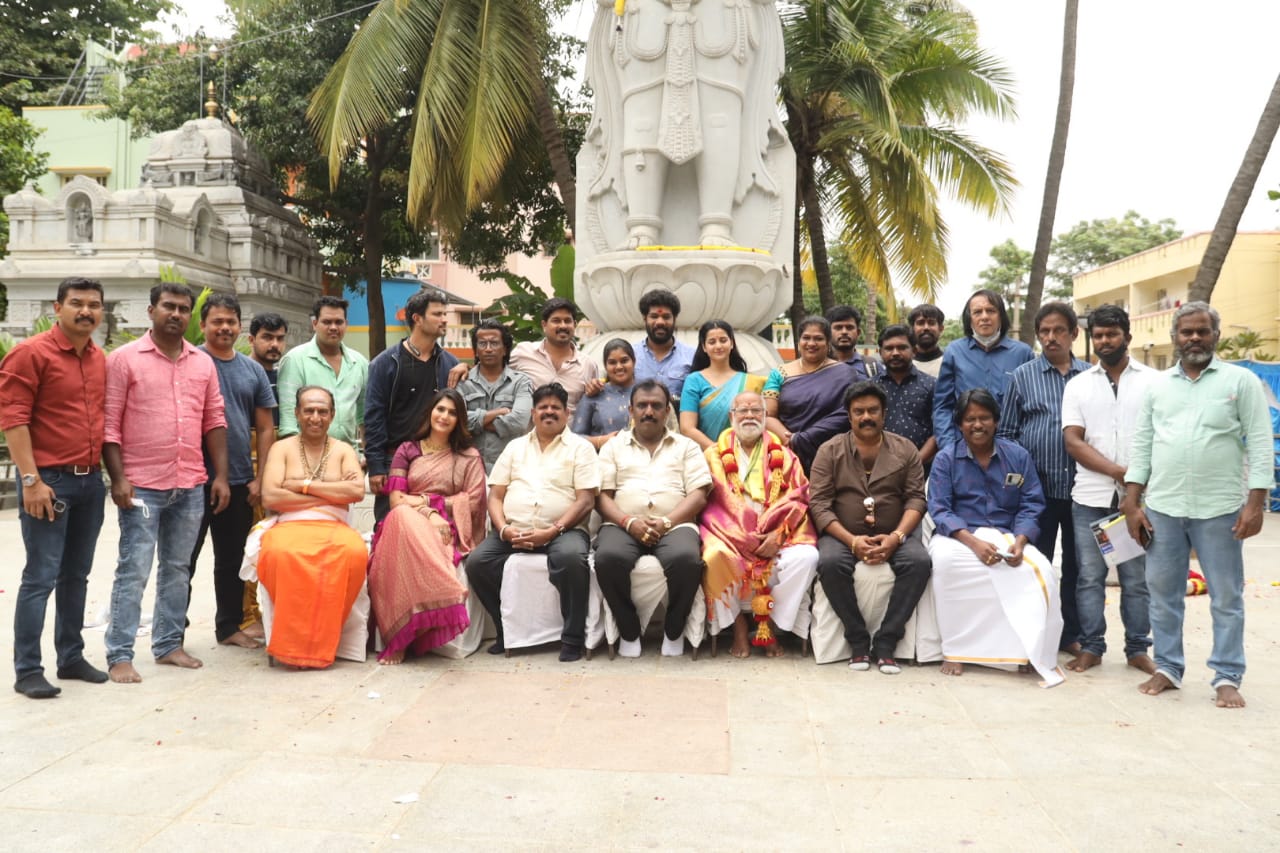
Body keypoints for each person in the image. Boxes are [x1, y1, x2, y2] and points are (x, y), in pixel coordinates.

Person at [1122, 302, 1273, 709]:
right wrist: (1132, 502)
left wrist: (1255, 503)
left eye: (1202, 331)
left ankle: (1226, 675)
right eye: (1186, 332)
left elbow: (1261, 442)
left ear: (1215, 336)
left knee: (1226, 597)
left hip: (1220, 509)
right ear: (1174, 337)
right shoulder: (1158, 387)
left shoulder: (1241, 382)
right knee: (1162, 594)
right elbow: (1143, 446)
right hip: (1164, 507)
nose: (1194, 338)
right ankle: (1168, 668)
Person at [103, 282, 229, 684]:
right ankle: (120, 654)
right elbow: (109, 425)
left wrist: (221, 476)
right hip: (140, 486)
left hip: (189, 484)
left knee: (177, 568)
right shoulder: (123, 360)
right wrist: (118, 478)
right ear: (151, 311)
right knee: (134, 569)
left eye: (183, 309)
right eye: (168, 306)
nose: (176, 314)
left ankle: (169, 644)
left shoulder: (202, 363)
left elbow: (214, 421)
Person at [1, 277, 109, 699]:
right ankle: (28, 669)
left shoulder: (98, 358)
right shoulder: (30, 354)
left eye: (94, 304)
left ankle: (71, 657)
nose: (86, 311)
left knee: (76, 575)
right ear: (57, 307)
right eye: (77, 303)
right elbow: (13, 419)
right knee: (40, 576)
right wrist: (31, 481)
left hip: (90, 481)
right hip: (48, 480)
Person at [927, 388, 1063, 686]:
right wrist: (973, 543)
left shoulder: (1018, 456)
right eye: (970, 419)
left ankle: (1024, 652)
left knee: (1042, 572)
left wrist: (1021, 541)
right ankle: (956, 649)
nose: (978, 425)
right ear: (959, 424)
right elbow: (940, 508)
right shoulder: (946, 459)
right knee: (946, 564)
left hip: (1008, 535)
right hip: (958, 536)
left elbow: (1031, 503)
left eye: (985, 418)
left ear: (997, 421)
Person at [465, 383, 600, 662]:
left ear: (567, 414)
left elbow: (586, 500)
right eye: (543, 407)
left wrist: (552, 531)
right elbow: (495, 496)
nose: (549, 412)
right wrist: (504, 528)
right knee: (478, 563)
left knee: (571, 559)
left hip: (564, 530)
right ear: (533, 413)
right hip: (514, 529)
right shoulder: (515, 447)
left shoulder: (581, 448)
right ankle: (506, 631)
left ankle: (572, 638)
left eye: (556, 407)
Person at [1060, 305, 1155, 674]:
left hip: (1137, 499)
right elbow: (1073, 441)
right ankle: (1092, 647)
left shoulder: (1153, 382)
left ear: (1127, 337)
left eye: (1111, 334)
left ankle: (1137, 649)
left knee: (1136, 579)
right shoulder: (1079, 385)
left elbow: (1161, 436)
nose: (1104, 341)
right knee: (1089, 577)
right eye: (1098, 335)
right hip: (1091, 498)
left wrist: (1134, 484)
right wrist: (1118, 472)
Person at [810, 382, 930, 674]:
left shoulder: (906, 449)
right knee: (829, 562)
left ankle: (887, 642)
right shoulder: (830, 450)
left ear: (884, 413)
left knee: (919, 562)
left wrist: (897, 537)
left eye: (873, 410)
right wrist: (851, 541)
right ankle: (858, 641)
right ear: (849, 416)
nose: (866, 417)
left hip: (894, 534)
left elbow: (916, 499)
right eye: (859, 411)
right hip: (843, 535)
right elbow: (819, 504)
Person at [254, 386, 369, 669]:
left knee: (353, 553)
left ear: (332, 415)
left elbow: (355, 491)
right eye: (309, 410)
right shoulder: (281, 449)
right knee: (280, 554)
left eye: (322, 411)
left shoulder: (343, 450)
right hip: (288, 526)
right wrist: (330, 493)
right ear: (296, 413)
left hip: (334, 526)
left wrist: (303, 485)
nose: (315, 417)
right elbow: (271, 497)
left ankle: (323, 641)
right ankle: (293, 646)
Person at [367, 389, 485, 664]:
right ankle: (399, 636)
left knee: (405, 520)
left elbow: (474, 501)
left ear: (459, 420)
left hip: (449, 525)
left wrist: (430, 505)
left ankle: (442, 597)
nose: (444, 416)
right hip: (409, 521)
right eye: (440, 409)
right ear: (430, 412)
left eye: (452, 413)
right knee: (400, 517)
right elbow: (396, 500)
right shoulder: (407, 450)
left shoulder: (468, 456)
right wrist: (430, 512)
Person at [999, 303, 1090, 654]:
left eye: (1059, 331)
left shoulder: (1090, 377)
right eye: (1044, 332)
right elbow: (1007, 434)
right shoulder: (1022, 376)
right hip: (1038, 492)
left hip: (1084, 490)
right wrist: (1018, 484)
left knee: (1079, 568)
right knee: (1036, 564)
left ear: (1073, 334)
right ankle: (1035, 634)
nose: (1051, 338)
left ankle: (1071, 635)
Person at [596, 381, 711, 657]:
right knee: (607, 558)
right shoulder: (613, 447)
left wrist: (666, 522)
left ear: (667, 410)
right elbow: (601, 498)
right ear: (631, 410)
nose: (649, 411)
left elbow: (699, 495)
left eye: (656, 405)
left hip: (675, 524)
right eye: (642, 406)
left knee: (686, 560)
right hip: (622, 524)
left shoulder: (687, 446)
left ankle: (674, 629)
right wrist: (628, 522)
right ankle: (629, 629)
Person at [187, 293, 276, 650]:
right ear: (203, 324)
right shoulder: (189, 361)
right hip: (191, 480)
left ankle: (228, 627)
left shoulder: (252, 370)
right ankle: (171, 632)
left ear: (240, 326)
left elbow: (265, 428)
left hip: (240, 479)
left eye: (231, 321)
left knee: (231, 560)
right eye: (217, 321)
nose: (224, 327)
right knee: (183, 560)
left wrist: (260, 477)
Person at [700, 391, 818, 658]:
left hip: (777, 535)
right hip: (728, 535)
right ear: (731, 416)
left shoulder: (785, 456)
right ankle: (739, 627)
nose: (749, 416)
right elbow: (709, 504)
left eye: (756, 411)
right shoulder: (713, 456)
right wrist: (739, 536)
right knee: (713, 557)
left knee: (807, 558)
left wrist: (779, 534)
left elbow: (800, 497)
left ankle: (771, 625)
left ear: (766, 416)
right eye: (743, 410)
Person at [365, 289, 461, 522]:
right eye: (437, 314)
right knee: (390, 526)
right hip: (393, 460)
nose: (444, 319)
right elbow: (374, 417)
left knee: (435, 528)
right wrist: (376, 466)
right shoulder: (386, 363)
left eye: (445, 314)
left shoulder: (450, 364)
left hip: (437, 460)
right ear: (417, 318)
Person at [932, 289, 1033, 448]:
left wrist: (1020, 448)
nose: (984, 317)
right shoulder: (955, 352)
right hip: (964, 447)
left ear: (1001, 316)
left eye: (991, 311)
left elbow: (1031, 406)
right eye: (977, 312)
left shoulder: (1022, 353)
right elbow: (942, 406)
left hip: (1012, 448)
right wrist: (949, 446)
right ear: (969, 319)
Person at [763, 316, 856, 473]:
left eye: (818, 338)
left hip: (832, 452)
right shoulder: (779, 373)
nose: (811, 343)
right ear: (799, 342)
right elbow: (768, 415)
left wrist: (804, 439)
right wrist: (793, 441)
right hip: (788, 453)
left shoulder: (845, 374)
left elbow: (846, 414)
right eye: (806, 338)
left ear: (828, 343)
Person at [276, 295, 369, 446]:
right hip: (306, 454)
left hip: (348, 454)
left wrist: (369, 455)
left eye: (338, 322)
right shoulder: (295, 360)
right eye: (327, 322)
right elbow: (288, 422)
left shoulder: (360, 363)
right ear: (314, 324)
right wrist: (295, 457)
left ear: (346, 324)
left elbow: (364, 417)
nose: (333, 327)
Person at [458, 318, 532, 473]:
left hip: (509, 468)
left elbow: (519, 422)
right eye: (482, 343)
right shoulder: (462, 382)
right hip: (468, 469)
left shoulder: (520, 382)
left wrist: (475, 422)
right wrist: (497, 413)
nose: (488, 349)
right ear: (476, 350)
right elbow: (457, 421)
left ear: (505, 349)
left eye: (494, 343)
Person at [680, 320, 765, 450]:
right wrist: (719, 452)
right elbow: (687, 428)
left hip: (747, 454)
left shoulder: (750, 381)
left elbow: (761, 420)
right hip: (707, 454)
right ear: (704, 347)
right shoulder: (694, 380)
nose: (718, 346)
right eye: (712, 342)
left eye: (723, 340)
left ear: (732, 344)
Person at [509, 298, 598, 415]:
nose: (563, 326)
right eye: (556, 321)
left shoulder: (588, 365)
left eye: (567, 321)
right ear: (544, 325)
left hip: (570, 427)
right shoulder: (523, 353)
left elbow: (593, 404)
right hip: (530, 427)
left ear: (575, 325)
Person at [874, 324, 937, 469]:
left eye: (902, 348)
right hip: (878, 469)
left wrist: (915, 463)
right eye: (889, 348)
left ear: (914, 351)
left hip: (922, 469)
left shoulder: (932, 385)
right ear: (880, 352)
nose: (895, 353)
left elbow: (939, 431)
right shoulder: (870, 387)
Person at [632, 289, 695, 405]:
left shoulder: (692, 357)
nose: (660, 322)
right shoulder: (630, 355)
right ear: (645, 319)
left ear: (674, 319)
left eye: (666, 317)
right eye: (654, 316)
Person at [572, 338, 636, 449]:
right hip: (601, 458)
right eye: (612, 362)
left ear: (634, 361)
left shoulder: (645, 392)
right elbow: (574, 439)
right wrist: (600, 441)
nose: (619, 366)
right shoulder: (593, 394)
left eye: (624, 361)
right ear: (605, 366)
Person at [248, 312, 288, 427]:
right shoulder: (240, 374)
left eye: (280, 339)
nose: (275, 344)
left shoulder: (286, 376)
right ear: (251, 340)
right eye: (267, 337)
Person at [825, 305, 878, 379]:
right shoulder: (817, 366)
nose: (844, 332)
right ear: (828, 333)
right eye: (838, 328)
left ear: (858, 332)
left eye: (849, 327)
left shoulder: (872, 367)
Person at [908, 303, 946, 377]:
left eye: (931, 323)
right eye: (920, 323)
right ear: (912, 329)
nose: (926, 327)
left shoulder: (950, 363)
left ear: (941, 329)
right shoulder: (902, 365)